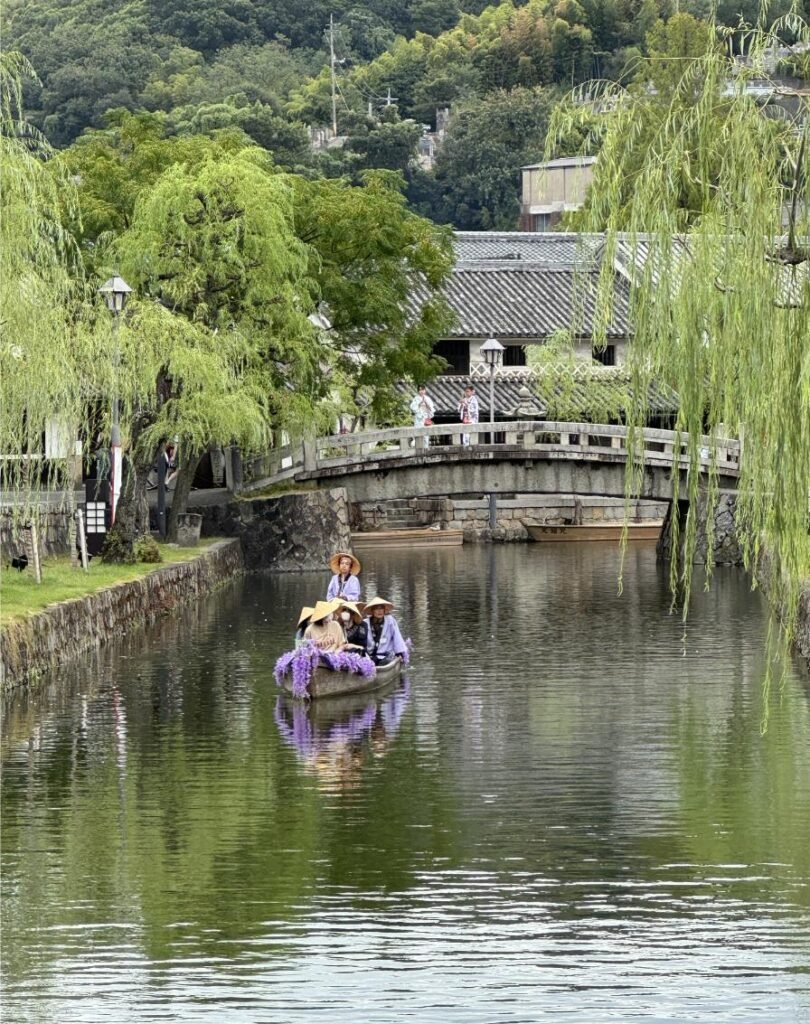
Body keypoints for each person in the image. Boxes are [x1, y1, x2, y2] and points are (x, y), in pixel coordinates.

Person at [364, 597, 408, 665]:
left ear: (384, 610)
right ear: (372, 611)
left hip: (386, 656)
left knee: (385, 662)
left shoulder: (390, 621)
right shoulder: (365, 623)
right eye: (377, 608)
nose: (380, 611)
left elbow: (397, 637)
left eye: (381, 608)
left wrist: (400, 653)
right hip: (371, 656)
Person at [409, 385, 436, 450]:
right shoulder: (416, 398)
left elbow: (432, 409)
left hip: (425, 418)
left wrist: (426, 404)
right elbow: (413, 408)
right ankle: (417, 449)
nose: (421, 391)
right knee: (417, 434)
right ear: (418, 391)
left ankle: (426, 449)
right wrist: (419, 403)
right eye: (420, 390)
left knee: (426, 436)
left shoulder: (428, 399)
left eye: (423, 390)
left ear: (425, 390)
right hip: (418, 419)